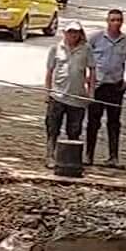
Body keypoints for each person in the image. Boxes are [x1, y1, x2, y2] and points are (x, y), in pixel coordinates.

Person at [85, 9, 126, 167]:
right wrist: (86, 78)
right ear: (107, 21)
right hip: (98, 86)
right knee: (93, 122)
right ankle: (89, 155)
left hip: (116, 87)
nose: (116, 23)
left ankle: (113, 157)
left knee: (114, 122)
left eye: (118, 20)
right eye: (113, 20)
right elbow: (83, 56)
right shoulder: (95, 38)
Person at [45, 20, 94, 165]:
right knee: (52, 128)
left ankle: (70, 160)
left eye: (76, 32)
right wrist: (47, 91)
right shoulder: (56, 48)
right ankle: (50, 156)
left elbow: (92, 70)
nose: (73, 35)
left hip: (77, 97)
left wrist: (91, 92)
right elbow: (49, 71)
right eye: (70, 32)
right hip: (58, 95)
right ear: (65, 33)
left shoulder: (86, 49)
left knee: (74, 130)